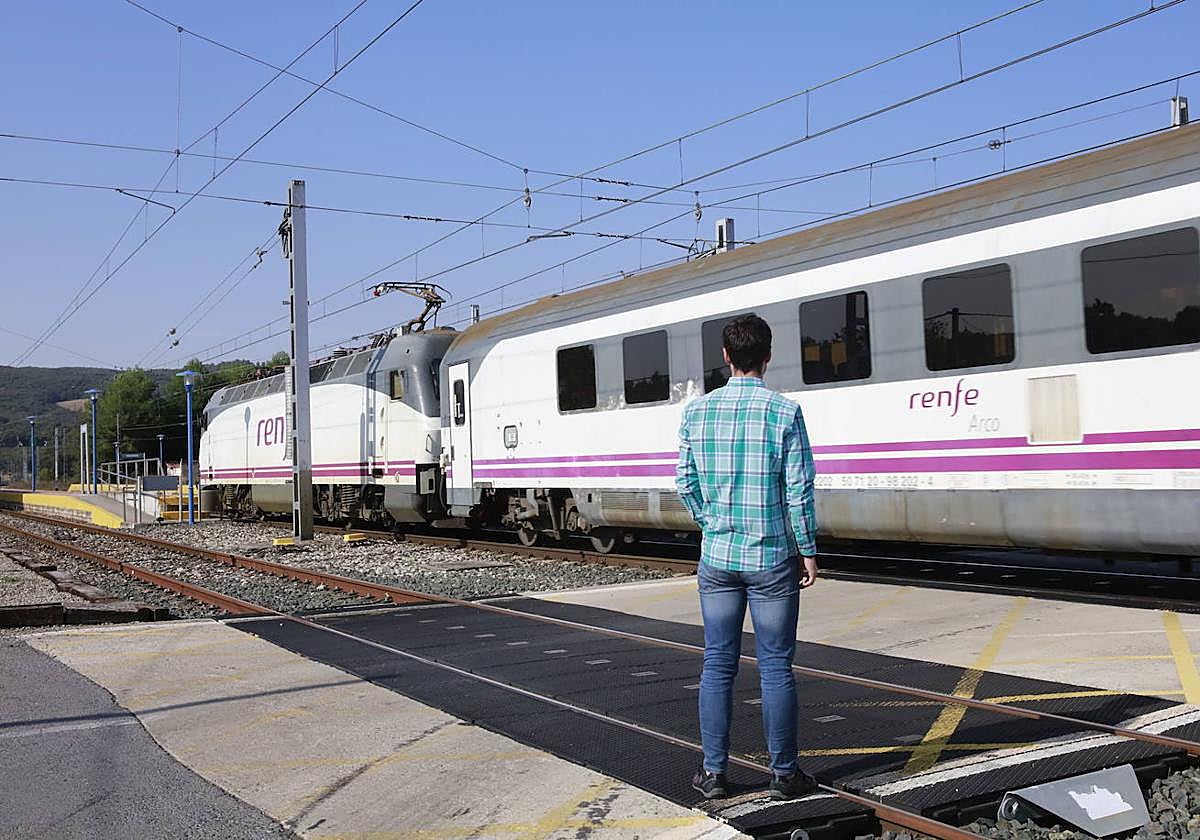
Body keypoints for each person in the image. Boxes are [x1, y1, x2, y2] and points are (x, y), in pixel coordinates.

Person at [676, 313, 820, 801]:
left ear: (725, 356)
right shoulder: (785, 413)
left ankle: (713, 774)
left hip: (717, 558)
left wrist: (711, 523)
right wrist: (807, 550)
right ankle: (784, 774)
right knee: (776, 665)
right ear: (768, 356)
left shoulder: (696, 413)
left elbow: (685, 483)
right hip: (771, 557)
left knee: (718, 663)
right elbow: (798, 490)